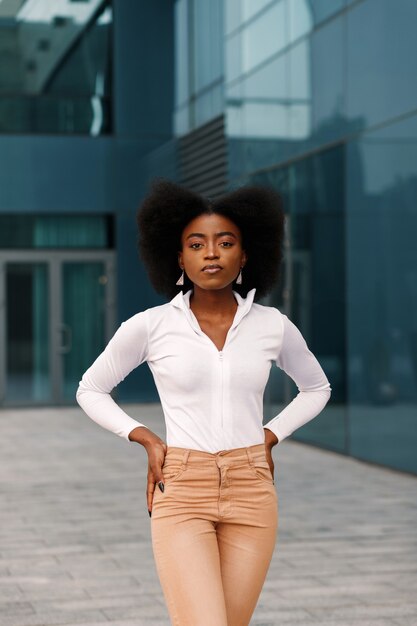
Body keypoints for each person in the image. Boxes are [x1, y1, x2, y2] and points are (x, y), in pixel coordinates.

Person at [76, 179, 332, 626]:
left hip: (252, 489)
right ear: (179, 257)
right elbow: (91, 389)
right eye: (196, 244)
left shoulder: (273, 325)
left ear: (246, 254)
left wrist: (269, 436)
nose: (211, 253)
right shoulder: (150, 326)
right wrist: (146, 439)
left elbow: (317, 388)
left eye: (225, 242)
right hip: (183, 488)